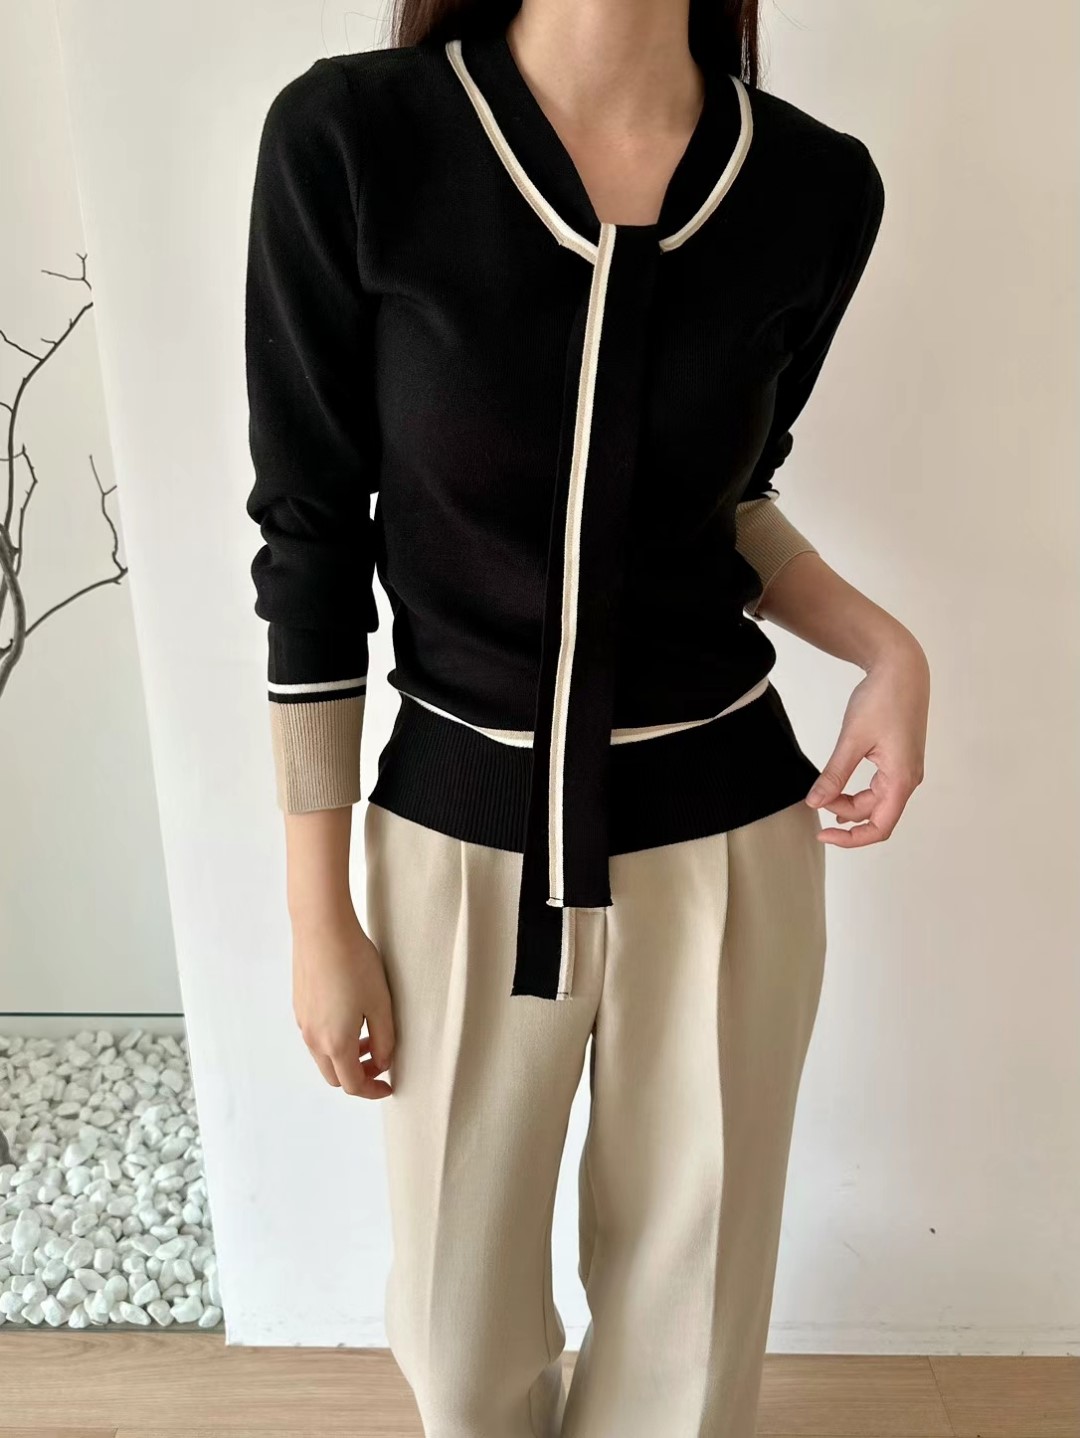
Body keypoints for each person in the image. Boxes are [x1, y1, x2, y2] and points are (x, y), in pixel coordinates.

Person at [243, 1, 930, 1433]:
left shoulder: (814, 187)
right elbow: (311, 537)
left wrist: (885, 647)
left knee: (688, 1364)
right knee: (457, 1344)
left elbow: (726, 501)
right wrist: (318, 912)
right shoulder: (356, 140)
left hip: (729, 843)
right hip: (461, 837)